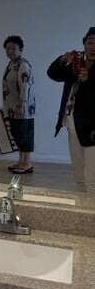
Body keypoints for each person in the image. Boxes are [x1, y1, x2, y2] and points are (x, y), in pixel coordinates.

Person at [47, 27, 95, 193]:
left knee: (91, 180)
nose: (93, 47)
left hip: (92, 130)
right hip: (73, 125)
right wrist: (62, 59)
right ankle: (81, 208)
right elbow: (53, 74)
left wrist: (89, 80)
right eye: (90, 43)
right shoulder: (77, 64)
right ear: (84, 44)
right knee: (79, 176)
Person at [2, 35, 35, 174]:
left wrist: (21, 106)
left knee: (25, 134)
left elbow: (25, 86)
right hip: (12, 108)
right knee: (17, 134)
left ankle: (27, 163)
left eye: (13, 48)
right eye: (7, 48)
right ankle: (21, 161)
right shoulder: (11, 65)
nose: (10, 51)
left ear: (20, 49)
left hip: (22, 108)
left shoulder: (23, 65)